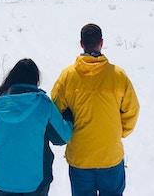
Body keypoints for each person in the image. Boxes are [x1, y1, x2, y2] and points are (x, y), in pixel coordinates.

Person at [51, 24, 140, 196]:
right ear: (101, 43)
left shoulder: (67, 77)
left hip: (80, 157)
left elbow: (54, 113)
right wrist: (119, 132)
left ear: (81, 43)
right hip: (110, 155)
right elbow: (132, 110)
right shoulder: (118, 75)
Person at [0, 58, 73, 196]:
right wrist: (69, 119)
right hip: (35, 182)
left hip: (2, 182)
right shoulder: (43, 104)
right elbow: (61, 137)